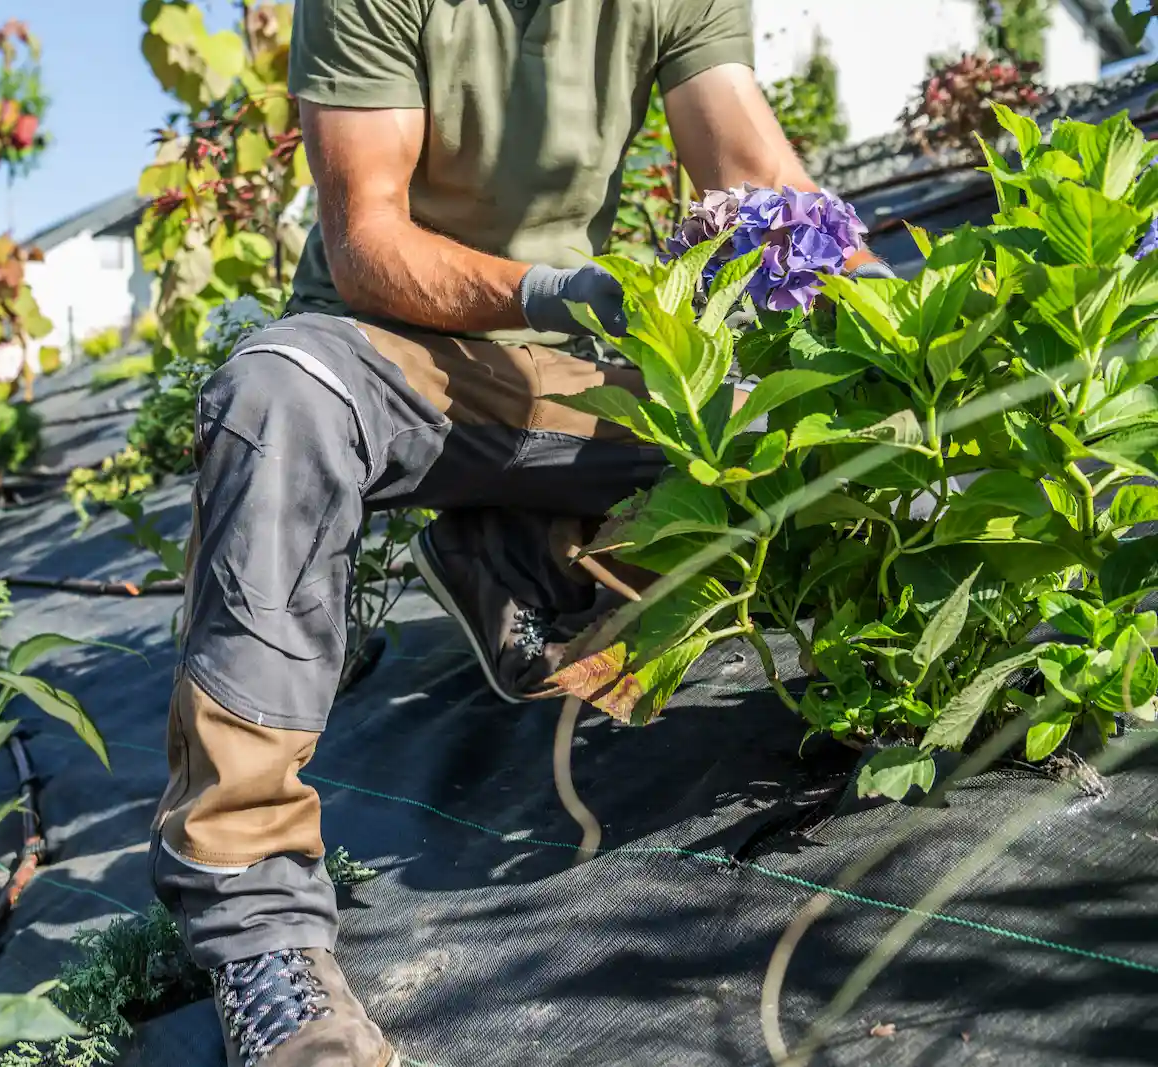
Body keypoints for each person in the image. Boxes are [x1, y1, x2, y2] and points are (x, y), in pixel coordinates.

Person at [149, 2, 889, 1064]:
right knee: (276, 396)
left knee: (794, 425)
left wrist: (902, 336)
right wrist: (559, 290)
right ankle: (258, 927)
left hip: (568, 363)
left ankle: (518, 561)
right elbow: (368, 238)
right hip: (391, 358)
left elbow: (752, 170)